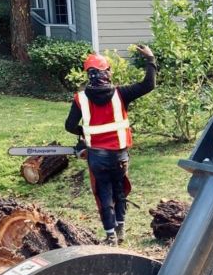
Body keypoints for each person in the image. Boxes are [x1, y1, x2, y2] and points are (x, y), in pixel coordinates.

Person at [65, 45, 157, 245]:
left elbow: (70, 126)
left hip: (97, 157)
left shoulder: (80, 99)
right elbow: (148, 84)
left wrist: (83, 134)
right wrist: (150, 59)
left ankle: (110, 236)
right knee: (119, 190)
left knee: (103, 193)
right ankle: (121, 228)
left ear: (88, 74)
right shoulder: (121, 94)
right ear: (107, 72)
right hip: (119, 155)